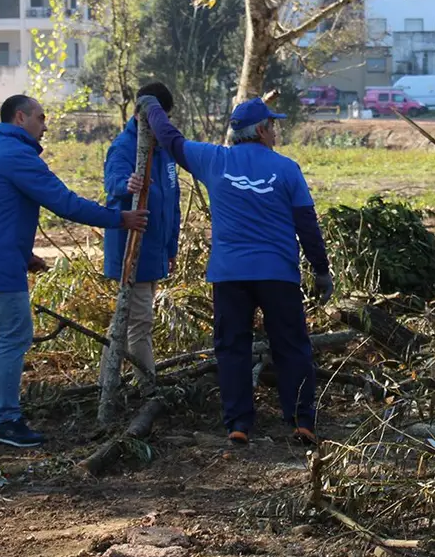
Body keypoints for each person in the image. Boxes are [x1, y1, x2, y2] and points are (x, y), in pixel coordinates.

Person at [0, 95, 149, 448]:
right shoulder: (16, 155)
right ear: (20, 117)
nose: (46, 124)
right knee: (14, 338)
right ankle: (7, 420)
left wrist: (25, 255)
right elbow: (64, 202)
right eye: (41, 117)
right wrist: (119, 219)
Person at [136, 93, 334, 446]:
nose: (275, 132)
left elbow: (171, 139)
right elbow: (306, 223)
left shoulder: (214, 160)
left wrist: (151, 108)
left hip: (230, 274)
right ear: (260, 130)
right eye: (271, 126)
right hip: (278, 274)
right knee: (291, 346)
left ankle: (239, 424)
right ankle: (302, 420)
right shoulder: (286, 168)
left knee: (232, 348)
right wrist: (321, 270)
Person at [102, 83, 182, 391]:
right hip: (131, 250)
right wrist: (127, 184)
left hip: (155, 250)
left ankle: (106, 381)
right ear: (140, 114)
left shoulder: (165, 154)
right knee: (139, 323)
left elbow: (172, 204)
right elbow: (113, 182)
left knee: (124, 322)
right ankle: (147, 387)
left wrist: (170, 248)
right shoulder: (123, 148)